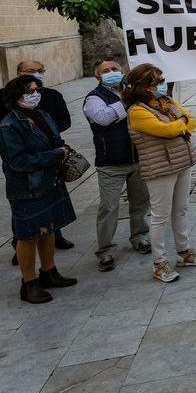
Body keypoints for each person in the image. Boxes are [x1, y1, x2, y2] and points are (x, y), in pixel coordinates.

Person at [0, 59, 75, 263]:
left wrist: (46, 139)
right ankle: (21, 248)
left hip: (49, 161)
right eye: (31, 71)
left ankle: (55, 241)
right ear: (18, 73)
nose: (37, 75)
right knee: (26, 211)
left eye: (40, 71)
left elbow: (64, 121)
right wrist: (3, 140)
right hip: (26, 171)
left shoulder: (50, 99)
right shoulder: (6, 112)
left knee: (51, 205)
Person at [0, 75, 79, 303]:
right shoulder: (9, 125)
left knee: (49, 229)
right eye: (28, 91)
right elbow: (18, 161)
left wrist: (61, 150)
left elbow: (55, 139)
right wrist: (54, 154)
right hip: (27, 188)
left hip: (49, 182)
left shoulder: (42, 115)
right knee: (29, 235)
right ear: (15, 97)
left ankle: (49, 271)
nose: (34, 95)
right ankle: (29, 282)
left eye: (36, 90)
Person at [123, 64, 196, 283]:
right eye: (157, 82)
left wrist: (181, 124)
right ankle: (159, 262)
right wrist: (181, 123)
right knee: (160, 215)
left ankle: (184, 251)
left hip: (181, 161)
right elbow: (166, 130)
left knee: (180, 209)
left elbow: (193, 120)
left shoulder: (166, 102)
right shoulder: (137, 111)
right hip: (159, 167)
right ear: (145, 86)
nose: (162, 85)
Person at [83, 59, 151, 272]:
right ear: (98, 76)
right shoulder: (94, 98)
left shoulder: (132, 91)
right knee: (109, 207)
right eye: (106, 71)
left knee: (140, 202)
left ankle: (139, 236)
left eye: (115, 69)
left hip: (138, 157)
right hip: (111, 161)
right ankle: (105, 249)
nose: (111, 72)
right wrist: (125, 102)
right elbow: (102, 118)